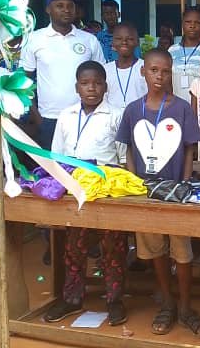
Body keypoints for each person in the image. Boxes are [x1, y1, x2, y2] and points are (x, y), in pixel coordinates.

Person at [115, 49, 200, 338]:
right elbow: (130, 149)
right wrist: (135, 184)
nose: (160, 76)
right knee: (155, 250)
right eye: (154, 70)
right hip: (146, 194)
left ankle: (186, 307)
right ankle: (167, 303)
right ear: (143, 71)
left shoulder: (181, 108)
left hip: (176, 194)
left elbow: (190, 149)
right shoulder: (133, 110)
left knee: (182, 252)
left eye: (165, 71)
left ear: (171, 73)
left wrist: (185, 183)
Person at [44, 60, 129, 326]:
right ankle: (72, 298)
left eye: (97, 83)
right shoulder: (66, 115)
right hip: (74, 190)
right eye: (85, 83)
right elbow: (57, 155)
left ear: (105, 86)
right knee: (74, 246)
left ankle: (114, 299)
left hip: (106, 190)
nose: (91, 88)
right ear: (76, 87)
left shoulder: (117, 115)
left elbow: (124, 159)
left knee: (113, 246)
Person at [21, 0, 105, 148]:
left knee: (84, 162)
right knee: (51, 163)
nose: (66, 10)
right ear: (48, 9)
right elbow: (25, 81)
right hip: (49, 118)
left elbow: (102, 78)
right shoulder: (34, 39)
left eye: (70, 6)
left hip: (85, 116)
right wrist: (36, 117)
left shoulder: (89, 40)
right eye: (60, 6)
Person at [168, 8, 200, 103]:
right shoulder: (172, 50)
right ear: (182, 24)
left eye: (197, 23)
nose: (192, 26)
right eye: (188, 22)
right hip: (177, 106)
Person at [103, 23, 148, 110]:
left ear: (137, 42)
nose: (124, 42)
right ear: (113, 42)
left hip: (140, 116)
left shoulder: (145, 67)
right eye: (119, 39)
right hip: (112, 117)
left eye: (130, 39)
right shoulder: (105, 70)